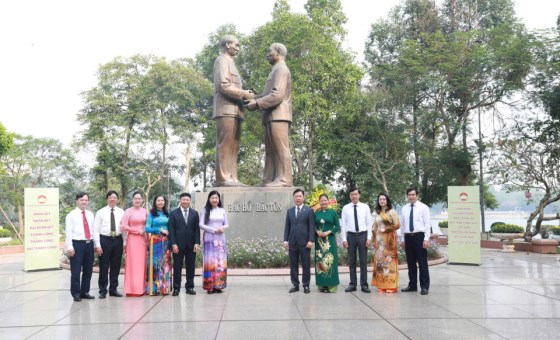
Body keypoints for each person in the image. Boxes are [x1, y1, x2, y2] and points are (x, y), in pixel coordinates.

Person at [245, 43, 293, 187]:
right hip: (270, 115)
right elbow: (267, 94)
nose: (267, 54)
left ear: (278, 52)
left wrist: (257, 103)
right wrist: (253, 98)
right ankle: (268, 179)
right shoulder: (275, 70)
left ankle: (284, 179)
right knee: (270, 150)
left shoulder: (282, 70)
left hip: (279, 115)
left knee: (280, 147)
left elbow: (277, 95)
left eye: (269, 51)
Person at [213, 34, 255, 187]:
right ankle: (223, 178)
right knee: (225, 144)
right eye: (236, 45)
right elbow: (223, 85)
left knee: (234, 145)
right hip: (225, 109)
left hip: (236, 110)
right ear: (227, 45)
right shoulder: (221, 61)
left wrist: (246, 93)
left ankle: (233, 177)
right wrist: (244, 93)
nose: (238, 48)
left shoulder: (231, 63)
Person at [93, 190, 125, 299]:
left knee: (116, 266)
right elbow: (96, 230)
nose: (112, 199)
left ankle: (113, 289)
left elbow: (124, 229)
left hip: (118, 240)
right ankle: (102, 290)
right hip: (104, 241)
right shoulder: (100, 212)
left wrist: (124, 242)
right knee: (104, 266)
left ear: (117, 199)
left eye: (114, 197)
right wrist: (97, 245)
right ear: (107, 199)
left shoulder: (121, 212)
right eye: (110, 197)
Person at [341, 187, 373, 293]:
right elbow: (343, 225)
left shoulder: (365, 207)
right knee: (352, 261)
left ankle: (364, 285)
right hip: (351, 236)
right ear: (349, 196)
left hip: (363, 235)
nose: (354, 196)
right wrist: (344, 239)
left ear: (359, 195)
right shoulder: (345, 208)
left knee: (363, 261)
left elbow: (369, 223)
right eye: (351, 194)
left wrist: (369, 238)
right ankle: (353, 284)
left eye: (355, 194)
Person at [400, 187, 431, 295]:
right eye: (409, 195)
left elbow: (427, 224)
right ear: (407, 196)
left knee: (422, 263)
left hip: (419, 237)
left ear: (417, 195)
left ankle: (424, 286)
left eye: (413, 194)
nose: (411, 196)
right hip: (408, 237)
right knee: (411, 263)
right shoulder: (404, 208)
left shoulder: (423, 207)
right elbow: (403, 225)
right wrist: (402, 239)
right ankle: (412, 285)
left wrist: (426, 239)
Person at [65, 192, 95, 302]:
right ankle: (76, 293)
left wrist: (96, 245)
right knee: (76, 271)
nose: (84, 202)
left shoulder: (91, 214)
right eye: (82, 200)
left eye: (86, 200)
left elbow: (93, 231)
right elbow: (68, 232)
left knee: (88, 270)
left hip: (89, 244)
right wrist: (70, 247)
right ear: (77, 201)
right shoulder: (71, 215)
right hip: (77, 244)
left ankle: (85, 291)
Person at [284, 189, 315, 294]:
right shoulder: (290, 211)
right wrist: (285, 240)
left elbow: (311, 227)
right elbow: (287, 227)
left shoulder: (309, 210)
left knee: (306, 265)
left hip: (305, 243)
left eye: (299, 196)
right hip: (292, 242)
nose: (298, 198)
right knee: (293, 265)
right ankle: (295, 284)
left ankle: (306, 285)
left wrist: (311, 240)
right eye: (296, 196)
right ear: (293, 198)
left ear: (303, 197)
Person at [168, 192, 200, 296]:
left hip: (191, 245)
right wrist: (173, 244)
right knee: (177, 267)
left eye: (187, 200)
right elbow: (171, 230)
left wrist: (197, 242)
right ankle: (176, 288)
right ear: (180, 200)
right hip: (178, 245)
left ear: (190, 201)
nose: (185, 201)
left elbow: (196, 230)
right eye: (183, 199)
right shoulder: (173, 213)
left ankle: (190, 287)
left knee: (191, 267)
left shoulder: (195, 213)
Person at [199, 190, 229, 294]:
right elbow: (201, 225)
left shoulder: (222, 210)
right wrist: (214, 229)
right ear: (209, 199)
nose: (214, 200)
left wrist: (222, 228)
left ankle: (219, 285)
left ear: (219, 199)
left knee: (220, 261)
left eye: (216, 198)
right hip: (209, 238)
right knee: (210, 261)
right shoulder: (205, 210)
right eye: (212, 198)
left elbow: (227, 224)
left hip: (220, 239)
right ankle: (209, 286)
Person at [371, 193, 400, 293]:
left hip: (389, 241)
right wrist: (373, 240)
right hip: (379, 241)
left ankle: (391, 286)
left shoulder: (392, 212)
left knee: (390, 262)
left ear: (387, 200)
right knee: (380, 262)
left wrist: (387, 229)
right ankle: (381, 285)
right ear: (378, 201)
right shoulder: (378, 212)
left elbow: (397, 225)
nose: (382, 201)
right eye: (380, 199)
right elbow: (375, 227)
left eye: (384, 199)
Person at [121, 191, 148, 296]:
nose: (137, 200)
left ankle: (141, 289)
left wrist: (145, 231)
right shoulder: (128, 211)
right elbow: (123, 226)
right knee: (132, 264)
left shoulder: (145, 211)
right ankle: (131, 289)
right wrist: (136, 230)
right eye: (135, 198)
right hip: (132, 239)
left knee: (142, 264)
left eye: (139, 198)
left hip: (142, 240)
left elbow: (148, 224)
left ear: (141, 200)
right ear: (132, 200)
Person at [144, 195, 172, 296]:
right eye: (158, 200)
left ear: (164, 202)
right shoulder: (152, 214)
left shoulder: (167, 214)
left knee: (165, 264)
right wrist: (159, 230)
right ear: (155, 202)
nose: (160, 202)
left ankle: (165, 288)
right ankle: (153, 289)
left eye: (162, 200)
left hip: (165, 242)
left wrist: (169, 232)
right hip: (155, 241)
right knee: (154, 265)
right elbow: (146, 229)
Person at [314, 194, 340, 293]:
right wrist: (317, 232)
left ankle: (331, 286)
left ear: (328, 201)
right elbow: (313, 225)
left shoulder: (333, 213)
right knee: (320, 261)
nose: (323, 202)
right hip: (319, 241)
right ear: (319, 202)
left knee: (330, 261)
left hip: (330, 241)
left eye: (325, 200)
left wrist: (328, 232)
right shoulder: (316, 213)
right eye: (321, 201)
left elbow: (337, 227)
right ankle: (322, 285)